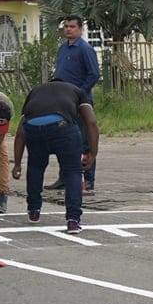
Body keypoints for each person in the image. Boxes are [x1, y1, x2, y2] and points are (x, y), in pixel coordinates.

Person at [10, 78, 99, 233]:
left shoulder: (36, 91)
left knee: (36, 167)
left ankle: (34, 210)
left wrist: (17, 163)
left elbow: (20, 133)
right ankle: (73, 220)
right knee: (72, 171)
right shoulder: (76, 91)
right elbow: (91, 122)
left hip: (33, 127)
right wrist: (93, 152)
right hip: (62, 127)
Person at [52, 15, 100, 194]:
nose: (68, 29)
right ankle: (64, 177)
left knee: (85, 141)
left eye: (72, 26)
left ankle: (88, 181)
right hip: (62, 102)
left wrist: (79, 93)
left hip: (80, 102)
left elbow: (93, 74)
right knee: (63, 140)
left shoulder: (85, 49)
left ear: (80, 29)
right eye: (66, 26)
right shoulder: (63, 49)